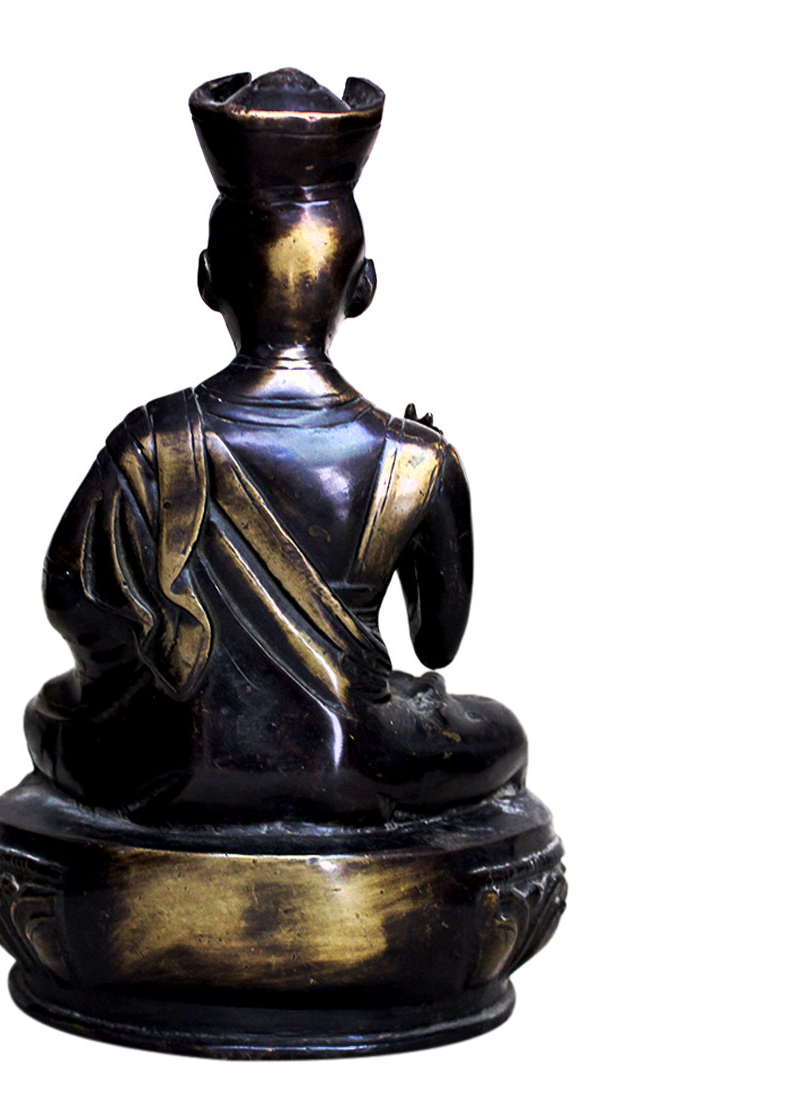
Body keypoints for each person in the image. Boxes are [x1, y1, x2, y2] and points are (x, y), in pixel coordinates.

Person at [26, 70, 526, 823]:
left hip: (184, 762)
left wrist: (154, 672)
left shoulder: (154, 442)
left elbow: (70, 595)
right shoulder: (418, 462)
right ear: (363, 287)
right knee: (500, 733)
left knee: (50, 714)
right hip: (357, 759)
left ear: (207, 280)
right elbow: (436, 645)